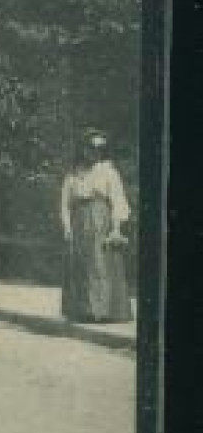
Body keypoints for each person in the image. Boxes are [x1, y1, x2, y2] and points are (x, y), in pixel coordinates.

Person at [60, 129, 133, 324]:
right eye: (90, 148)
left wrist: (116, 228)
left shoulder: (108, 172)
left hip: (101, 221)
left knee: (101, 264)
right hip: (78, 223)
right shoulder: (72, 174)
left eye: (98, 148)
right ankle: (82, 310)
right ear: (82, 149)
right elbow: (65, 204)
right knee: (80, 264)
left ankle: (104, 311)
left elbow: (118, 201)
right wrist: (67, 227)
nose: (93, 152)